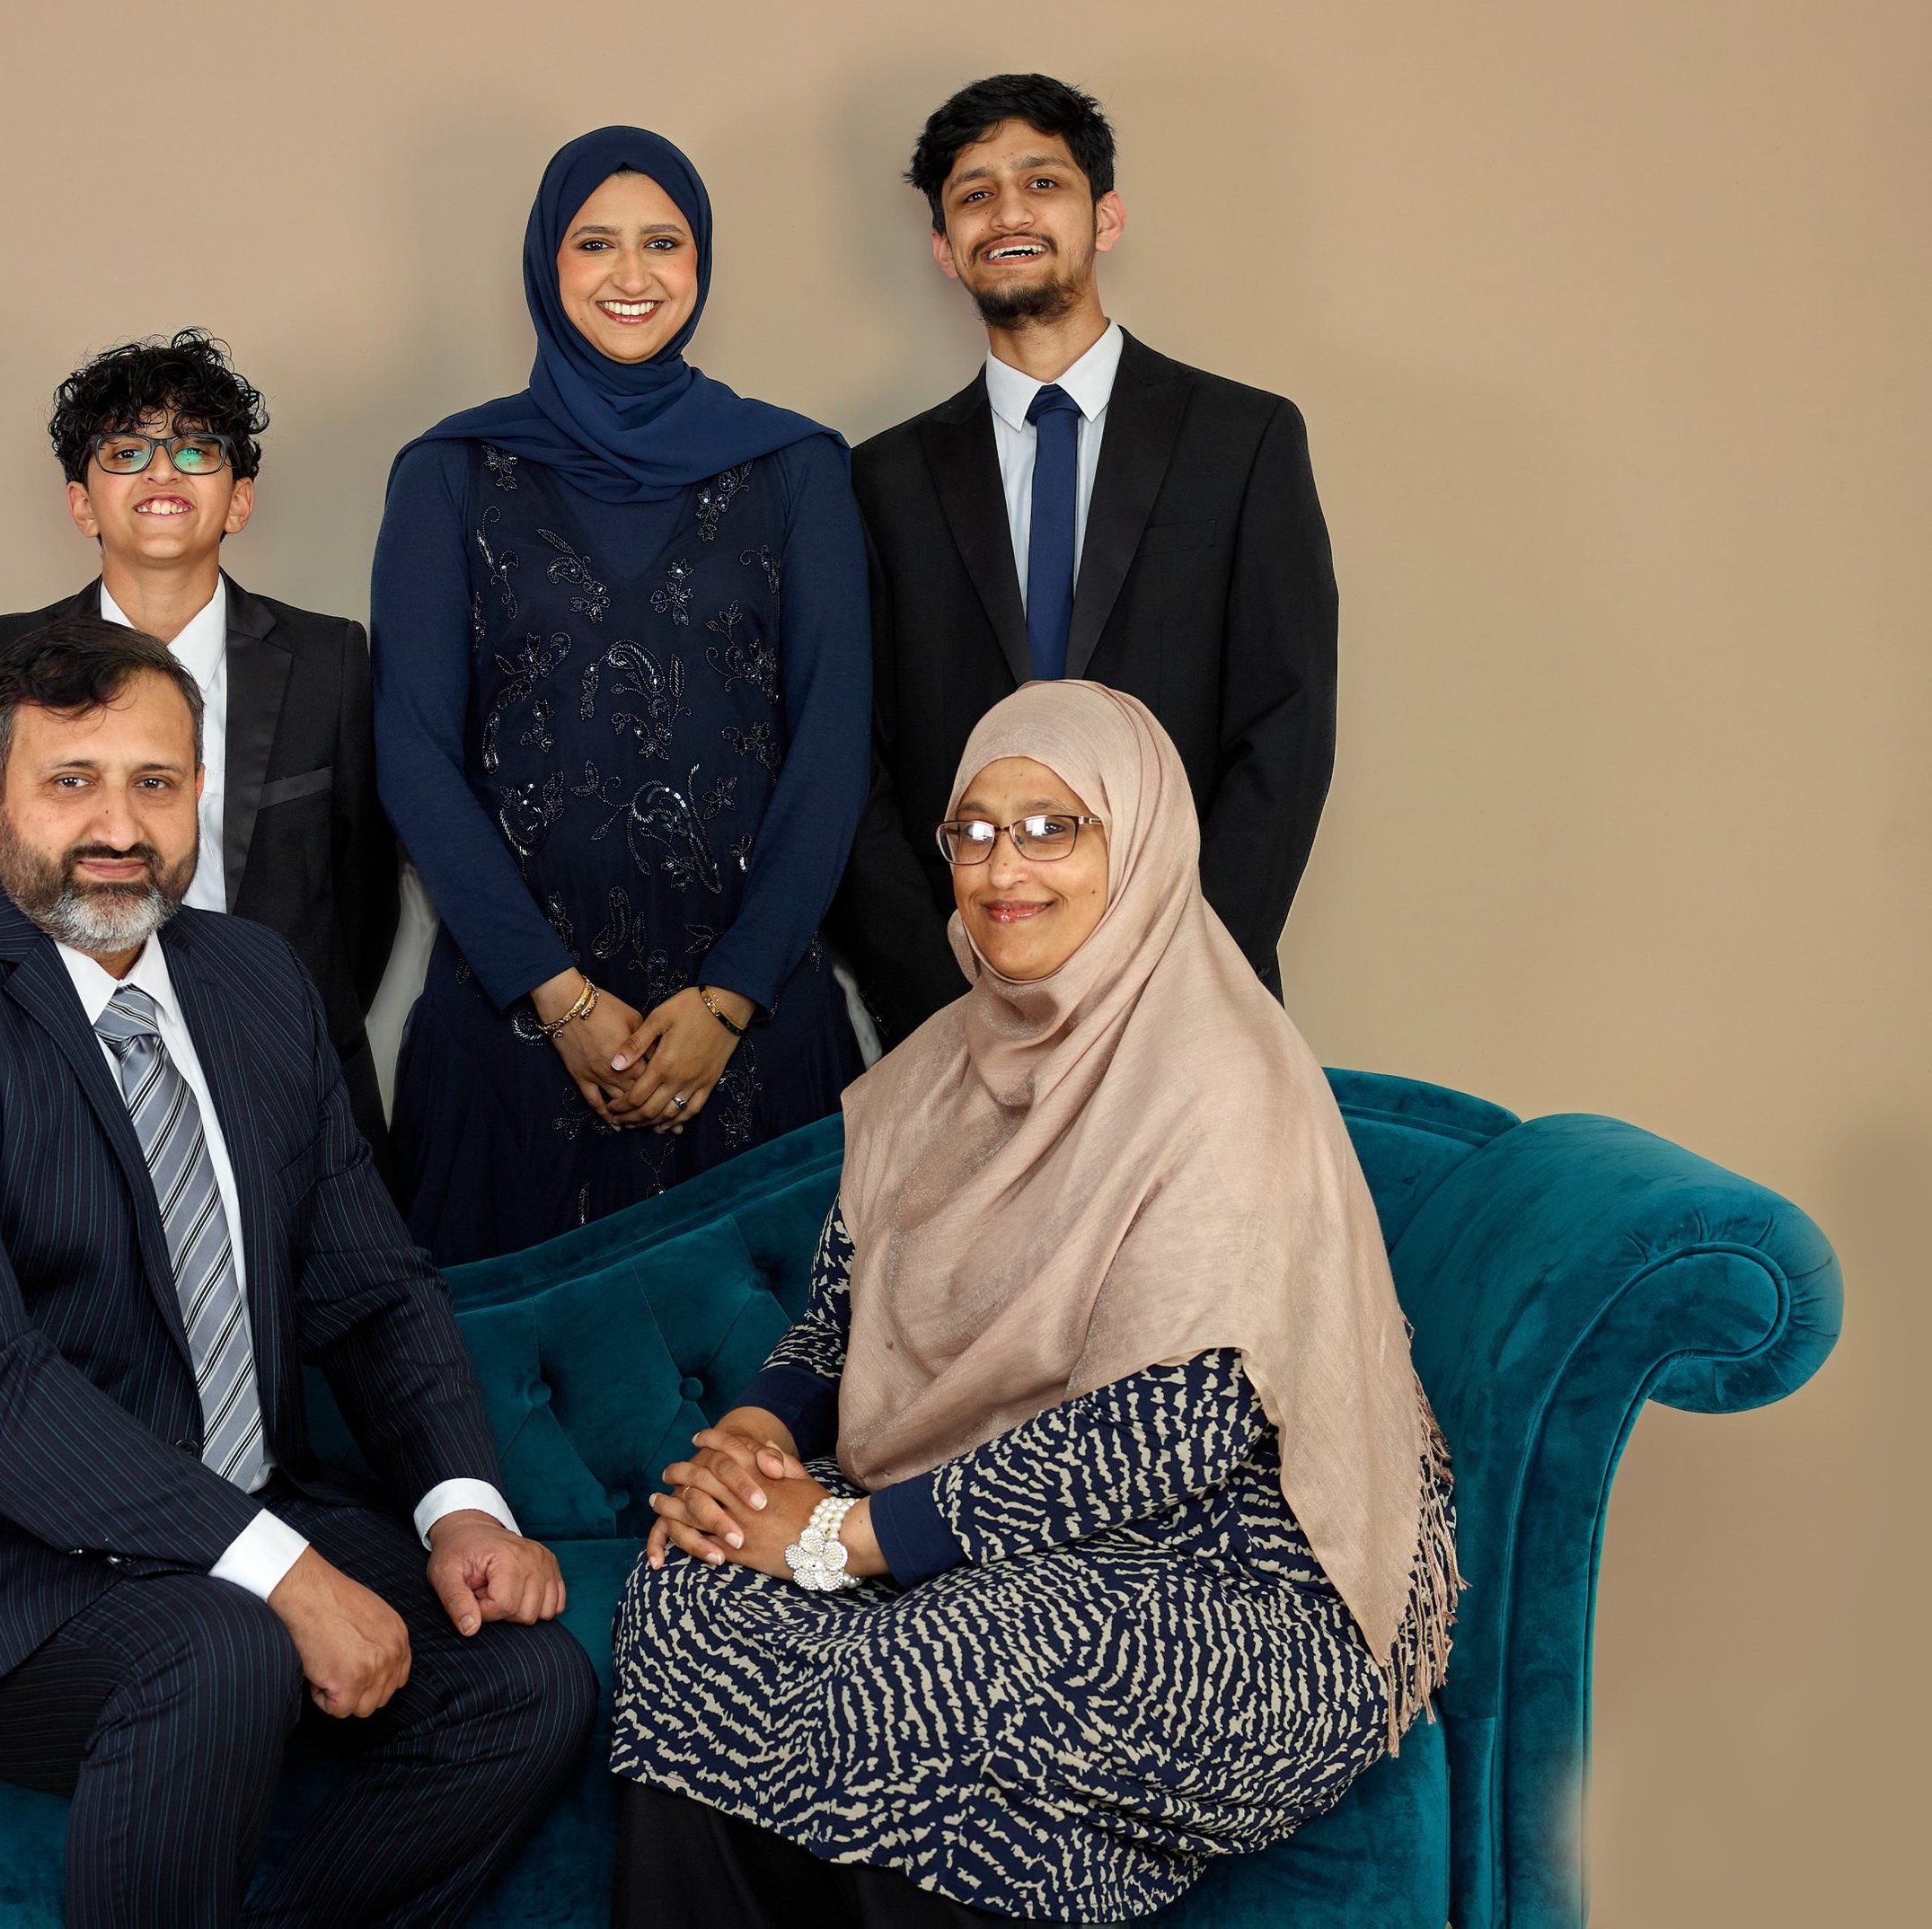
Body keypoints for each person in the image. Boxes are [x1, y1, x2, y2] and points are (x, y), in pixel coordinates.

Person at [0, 619, 593, 1928]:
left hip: (222, 1515)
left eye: (153, 782)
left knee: (528, 1684)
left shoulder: (256, 980)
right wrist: (282, 1574)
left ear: (198, 792)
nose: (118, 827)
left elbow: (373, 1289)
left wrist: (462, 1511)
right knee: (224, 1654)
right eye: (71, 781)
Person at [611, 681, 1457, 1926]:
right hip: (974, 1518)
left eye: (1053, 828)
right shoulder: (937, 1074)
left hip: (1231, 1575)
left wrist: (838, 1537)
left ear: (1141, 842)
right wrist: (755, 1436)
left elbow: (1168, 1435)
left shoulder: (1224, 1083)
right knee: (687, 1596)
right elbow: (843, 1315)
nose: (1004, 869)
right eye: (974, 831)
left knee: (942, 1660)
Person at [373, 127, 869, 1267]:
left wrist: (733, 996)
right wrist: (557, 999)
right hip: (510, 1033)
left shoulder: (796, 467)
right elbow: (411, 751)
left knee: (781, 1375)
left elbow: (834, 744)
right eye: (595, 243)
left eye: (663, 243)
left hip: (753, 1032)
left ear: (702, 263)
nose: (631, 274)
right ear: (547, 261)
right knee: (497, 1369)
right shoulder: (448, 472)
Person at [834, 75, 1340, 1044]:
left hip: (1193, 1006)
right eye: (974, 194)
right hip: (961, 1013)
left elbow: (1287, 729)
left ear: (1104, 217)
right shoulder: (879, 482)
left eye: (1043, 183)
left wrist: (1189, 972)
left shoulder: (1243, 440)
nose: (1008, 212)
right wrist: (941, 1004)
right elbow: (854, 763)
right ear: (943, 245)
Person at [0, 330, 400, 1161]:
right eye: (126, 452)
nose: (161, 472)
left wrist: (290, 1013)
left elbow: (365, 894)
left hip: (294, 1073)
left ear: (239, 500)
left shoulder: (330, 659)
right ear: (81, 504)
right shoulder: (7, 651)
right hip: (73, 1074)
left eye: (195, 449)